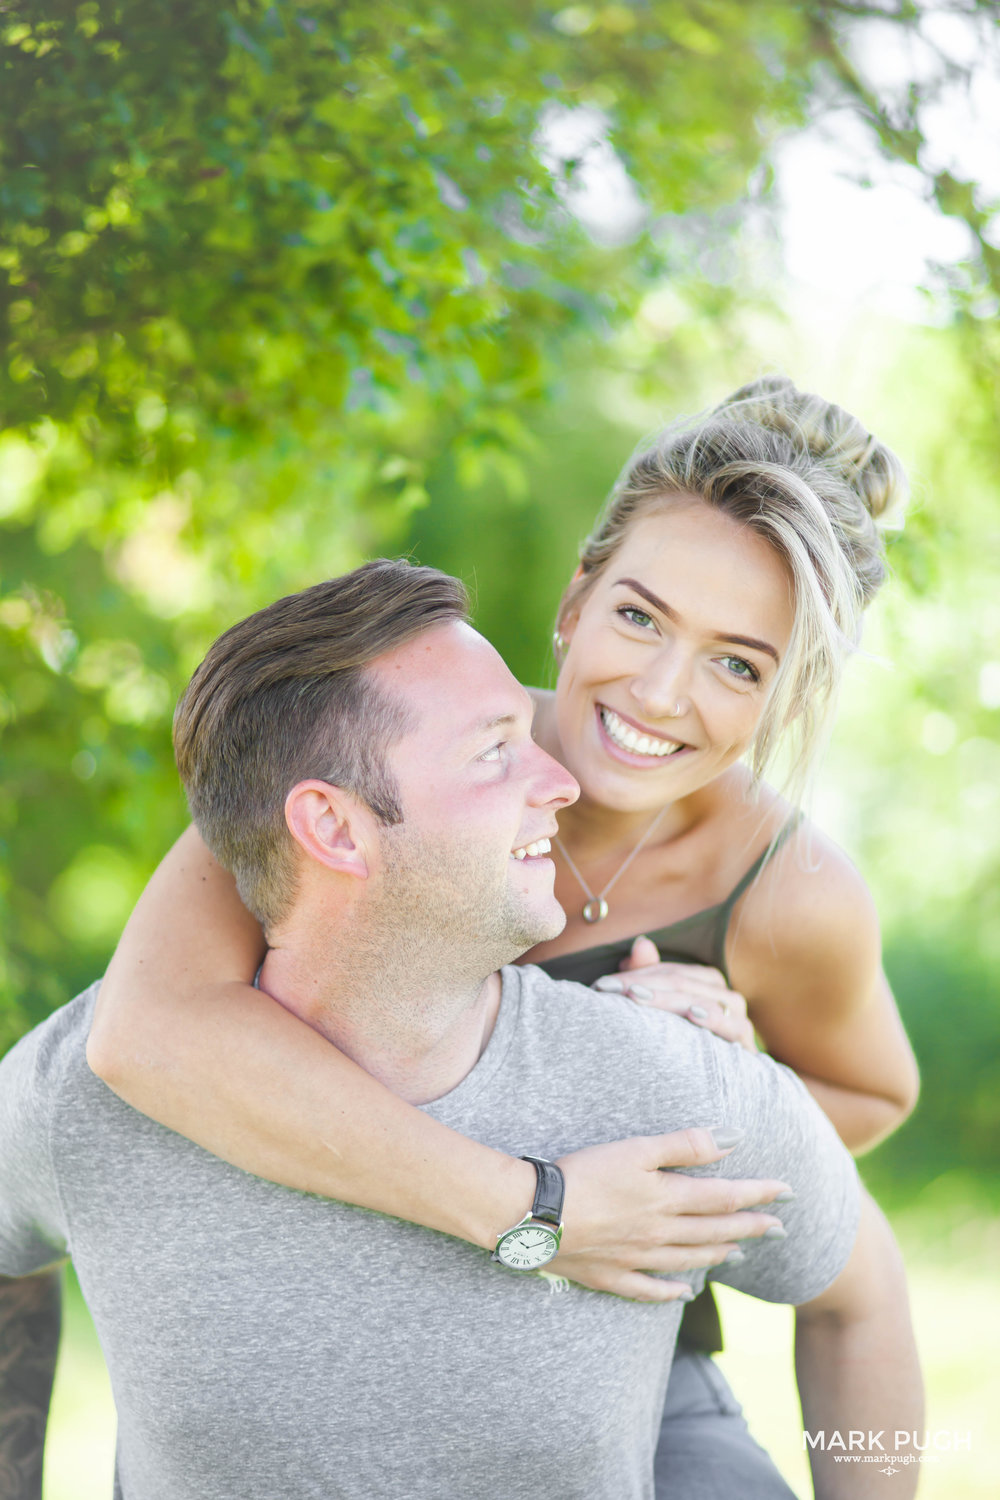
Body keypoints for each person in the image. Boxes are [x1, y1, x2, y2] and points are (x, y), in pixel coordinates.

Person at [86, 377, 921, 1491]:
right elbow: (146, 1030)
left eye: (736, 664)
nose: (662, 693)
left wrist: (734, 1090)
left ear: (785, 694)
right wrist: (530, 1211)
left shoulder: (787, 891)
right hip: (321, 1331)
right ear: (576, 597)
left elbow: (868, 1103)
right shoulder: (378, 757)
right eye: (639, 616)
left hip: (631, 1367)